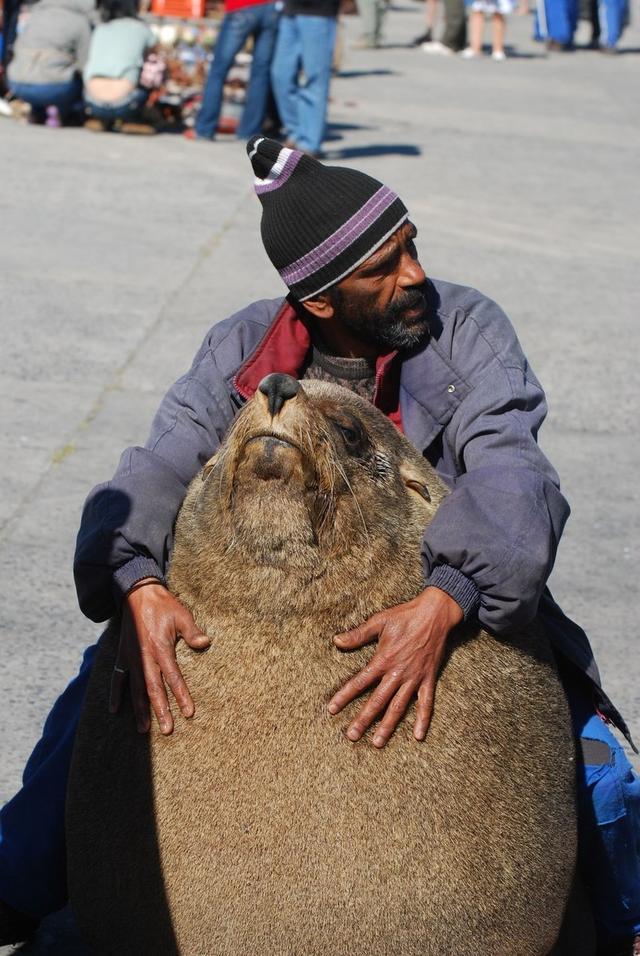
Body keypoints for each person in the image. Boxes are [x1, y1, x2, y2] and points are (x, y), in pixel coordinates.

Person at [1, 137, 639, 955]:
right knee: (95, 701)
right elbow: (161, 460)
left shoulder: (466, 326)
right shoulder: (242, 345)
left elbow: (514, 467)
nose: (414, 276)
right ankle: (18, 887)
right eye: (384, 266)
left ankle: (627, 923)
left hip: (447, 586)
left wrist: (447, 598)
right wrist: (135, 578)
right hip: (255, 600)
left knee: (599, 773)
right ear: (321, 300)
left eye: (410, 246)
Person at [185, 0, 279, 142]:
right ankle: (250, 133)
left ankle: (204, 129)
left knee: (218, 71)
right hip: (271, 8)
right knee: (261, 74)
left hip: (241, 7)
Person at [7, 0, 93, 126]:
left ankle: (37, 110)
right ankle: (62, 111)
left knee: (43, 70)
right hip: (54, 87)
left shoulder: (35, 14)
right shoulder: (80, 21)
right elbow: (84, 64)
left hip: (17, 83)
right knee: (76, 77)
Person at [270, 0, 338, 157]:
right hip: (290, 11)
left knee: (314, 79)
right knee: (280, 75)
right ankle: (295, 131)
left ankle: (309, 143)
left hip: (319, 12)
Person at [83, 0, 157, 130]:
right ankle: (132, 118)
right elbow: (155, 54)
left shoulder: (100, 28)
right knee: (151, 68)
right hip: (126, 102)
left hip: (90, 101)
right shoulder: (142, 28)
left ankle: (101, 119)